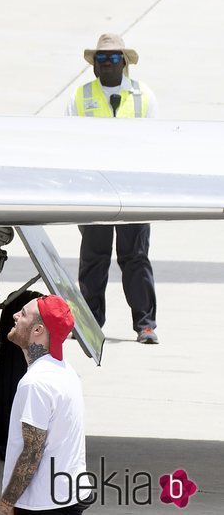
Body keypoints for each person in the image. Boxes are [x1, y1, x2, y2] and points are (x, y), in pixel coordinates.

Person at [66, 33, 159, 344]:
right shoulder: (79, 96)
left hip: (133, 190)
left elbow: (154, 142)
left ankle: (145, 325)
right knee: (94, 258)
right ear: (93, 65)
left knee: (135, 257)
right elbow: (67, 140)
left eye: (114, 58)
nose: (107, 64)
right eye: (101, 59)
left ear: (125, 63)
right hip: (95, 190)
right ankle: (91, 325)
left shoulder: (143, 96)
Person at [0, 295, 88, 515]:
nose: (14, 316)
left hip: (42, 504)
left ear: (38, 331)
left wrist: (5, 504)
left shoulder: (36, 383)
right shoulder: (66, 371)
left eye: (22, 314)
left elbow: (32, 451)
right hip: (67, 496)